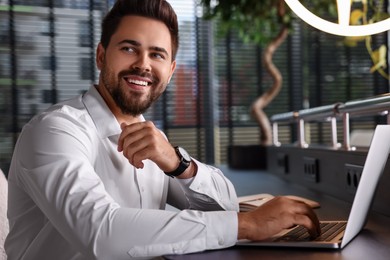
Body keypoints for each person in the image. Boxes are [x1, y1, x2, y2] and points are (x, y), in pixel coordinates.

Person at [5, 0, 320, 259]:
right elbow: (100, 232)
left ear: (169, 71)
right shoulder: (56, 130)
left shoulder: (151, 138)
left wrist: (178, 164)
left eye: (157, 54)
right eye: (129, 48)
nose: (143, 64)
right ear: (102, 56)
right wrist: (247, 226)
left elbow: (226, 205)